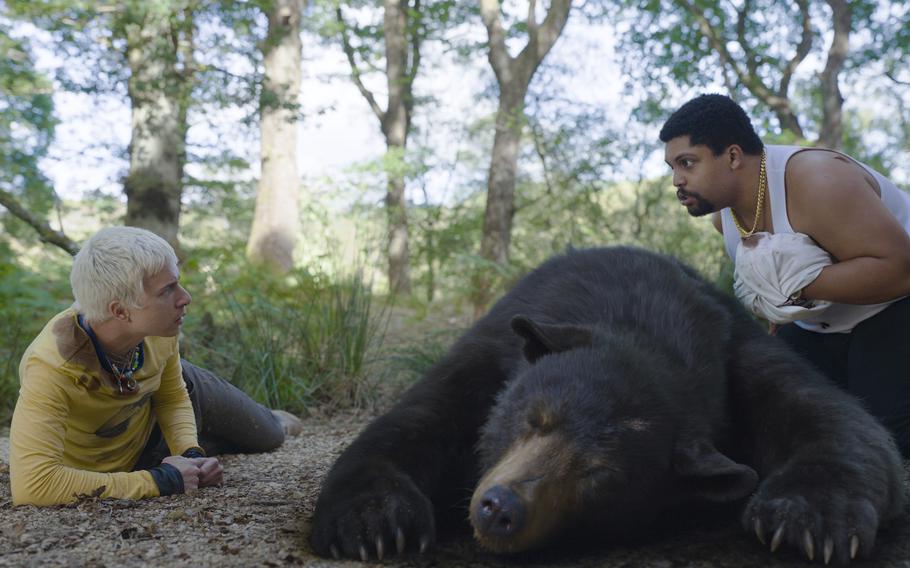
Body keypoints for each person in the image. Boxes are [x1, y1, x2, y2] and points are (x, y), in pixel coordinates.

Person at [659, 93, 910, 456]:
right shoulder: (723, 217)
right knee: (767, 420)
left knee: (884, 437)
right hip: (819, 326)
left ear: (731, 156)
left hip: (894, 307)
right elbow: (775, 294)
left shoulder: (818, 180)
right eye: (672, 167)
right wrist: (776, 317)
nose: (676, 181)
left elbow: (901, 271)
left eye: (687, 163)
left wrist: (799, 284)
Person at [10, 226, 304, 506]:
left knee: (270, 436)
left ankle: (272, 420)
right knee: (229, 443)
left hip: (157, 417)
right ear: (120, 310)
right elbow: (33, 485)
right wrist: (162, 481)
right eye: (168, 290)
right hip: (130, 459)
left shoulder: (159, 331)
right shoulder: (52, 367)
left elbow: (173, 396)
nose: (185, 298)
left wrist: (189, 453)